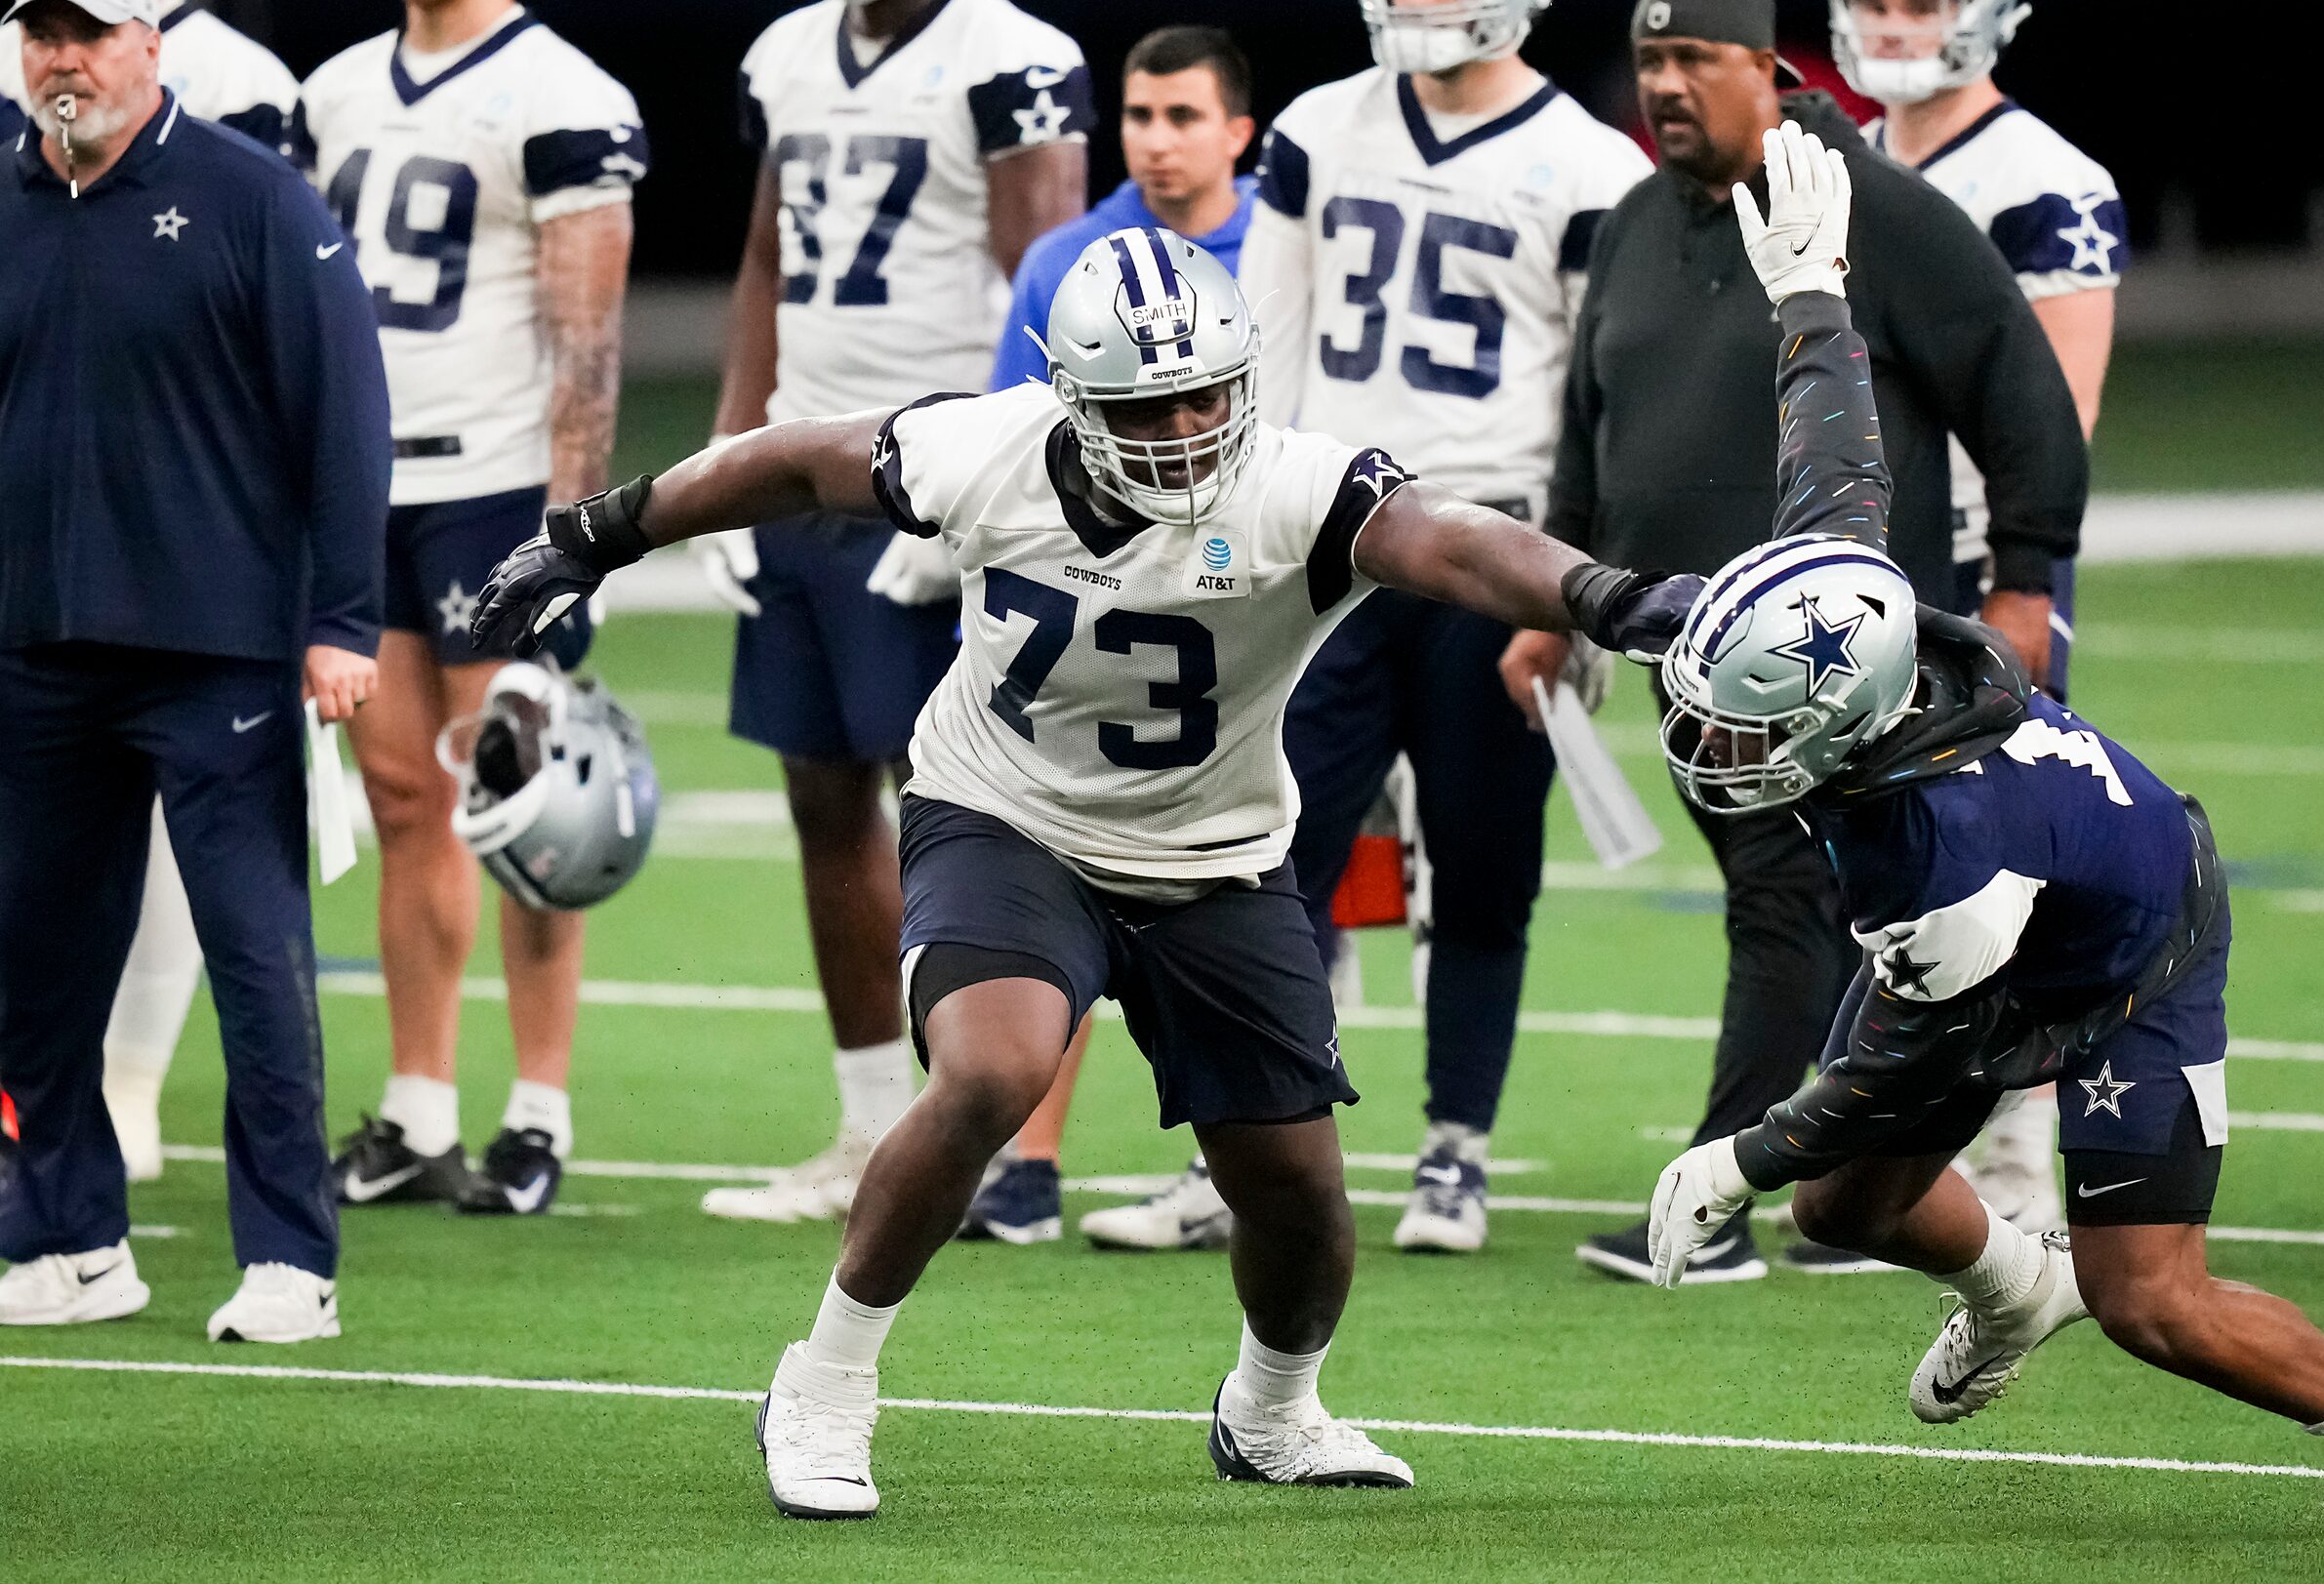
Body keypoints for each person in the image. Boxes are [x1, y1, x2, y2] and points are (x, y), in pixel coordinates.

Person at [465, 225, 1703, 1516]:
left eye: (1205, 394)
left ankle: (1272, 1410)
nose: (1183, 426)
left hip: (1214, 853)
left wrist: (1610, 599)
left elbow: (1450, 541)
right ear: (1072, 395)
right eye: (1145, 403)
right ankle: (824, 1380)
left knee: (1296, 1191)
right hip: (1008, 816)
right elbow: (793, 458)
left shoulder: (1292, 485)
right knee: (994, 1067)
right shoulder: (986, 448)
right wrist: (601, 531)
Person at [1643, 122, 2324, 1549]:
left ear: (1841, 723)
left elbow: (1900, 1055)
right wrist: (1809, 293)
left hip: (2124, 956)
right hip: (2015, 913)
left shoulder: (1938, 843)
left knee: (2148, 1298)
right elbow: (1836, 448)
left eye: (1744, 724)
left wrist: (1740, 1150)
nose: (1710, 746)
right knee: (1845, 1213)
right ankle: (2008, 1287)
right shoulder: (1851, 616)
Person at [1098, 0, 1653, 1261]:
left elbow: (1599, 391)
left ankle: (1456, 1150)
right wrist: (1223, 525)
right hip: (1327, 539)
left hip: (1488, 544)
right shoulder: (1320, 125)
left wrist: (1571, 583)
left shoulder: (1589, 163)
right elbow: (1257, 337)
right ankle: (1250, 1150)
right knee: (1261, 854)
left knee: (1477, 864)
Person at [1506, 0, 2084, 1282]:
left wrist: (2026, 576)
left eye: (1694, 61)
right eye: (1649, 63)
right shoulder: (1640, 218)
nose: (1663, 86)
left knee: (1789, 905)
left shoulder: (1868, 209)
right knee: (1816, 909)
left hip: (1833, 653)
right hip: (1681, 638)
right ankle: (1855, 1187)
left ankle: (1725, 1194)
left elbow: (2018, 382)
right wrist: (1558, 600)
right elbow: (1592, 425)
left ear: (1768, 71)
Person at [694, 0, 1090, 1228]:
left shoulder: (1014, 58)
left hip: (942, 475)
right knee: (820, 791)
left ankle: (1001, 1137)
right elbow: (761, 262)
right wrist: (728, 463)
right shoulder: (787, 51)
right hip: (803, 467)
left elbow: (1051, 290)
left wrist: (1011, 488)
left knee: (979, 806)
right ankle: (871, 1127)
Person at [0, 0, 389, 1342]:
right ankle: (69, 1236)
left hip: (218, 652)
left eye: (90, 31)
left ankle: (291, 1258)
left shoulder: (256, 200)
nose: (64, 58)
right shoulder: (3, 193)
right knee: (34, 960)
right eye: (43, 29)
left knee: (254, 954)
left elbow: (344, 422)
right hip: (38, 647)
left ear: (151, 39)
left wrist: (344, 617)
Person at [305, 0, 646, 1217]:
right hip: (366, 479)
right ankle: (420, 1099)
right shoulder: (329, 91)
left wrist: (577, 529)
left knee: (517, 803)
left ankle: (540, 1107)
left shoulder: (560, 92)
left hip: (496, 482)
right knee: (401, 800)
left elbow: (589, 343)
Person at [3, 0, 305, 1185]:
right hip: (27, 489)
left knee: (182, 832)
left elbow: (280, 326)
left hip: (180, 509)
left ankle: (127, 1083)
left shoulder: (244, 83)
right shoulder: (10, 49)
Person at [1829, 0, 2129, 1235]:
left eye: (1922, 0)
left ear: (1986, 9)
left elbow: (2053, 417)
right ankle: (1895, 1133)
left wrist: (2017, 577)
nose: (1893, 26)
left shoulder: (2045, 181)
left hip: (1965, 562)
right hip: (1848, 559)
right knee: (1872, 860)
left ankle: (2014, 1144)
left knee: (1997, 855)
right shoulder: (1828, 153)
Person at [961, 23, 1258, 1245]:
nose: (1157, 139)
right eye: (1140, 115)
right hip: (1088, 612)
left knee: (1248, 885)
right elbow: (1002, 437)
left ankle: (1229, 1156)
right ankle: (1030, 1158)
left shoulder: (1279, 246)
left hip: (1243, 616)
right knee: (1053, 855)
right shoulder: (1063, 259)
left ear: (1240, 128)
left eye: (1184, 115)